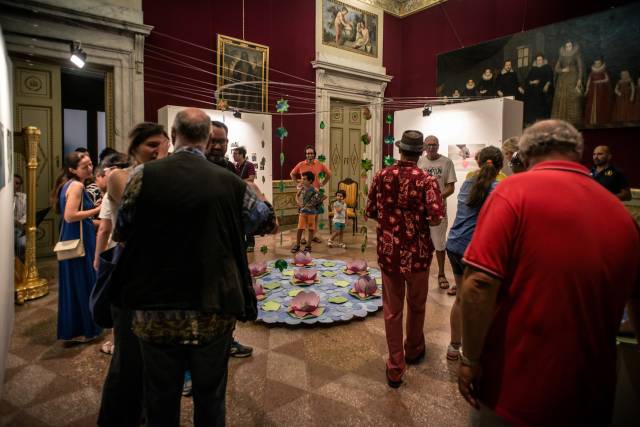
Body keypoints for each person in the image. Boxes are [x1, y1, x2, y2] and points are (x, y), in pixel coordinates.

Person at [457, 119, 640, 426]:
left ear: (524, 154)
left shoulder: (512, 193)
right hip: (592, 393)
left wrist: (470, 358)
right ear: (578, 153)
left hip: (513, 388)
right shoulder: (621, 214)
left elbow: (479, 284)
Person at [110, 108, 277, 425]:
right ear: (207, 138)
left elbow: (123, 232)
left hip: (155, 310)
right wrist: (257, 196)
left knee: (160, 399)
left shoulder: (143, 177)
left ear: (173, 136)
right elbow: (266, 222)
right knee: (210, 398)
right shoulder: (230, 183)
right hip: (212, 308)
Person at [97, 123, 169, 426]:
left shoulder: (162, 177)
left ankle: (143, 413)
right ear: (134, 147)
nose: (158, 151)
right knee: (128, 358)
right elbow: (144, 207)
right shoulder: (119, 176)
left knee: (154, 359)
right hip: (131, 279)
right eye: (151, 145)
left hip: (158, 278)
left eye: (163, 145)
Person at [366, 130, 444, 388]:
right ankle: (413, 349)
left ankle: (395, 366)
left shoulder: (381, 175)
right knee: (417, 305)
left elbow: (370, 211)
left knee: (392, 311)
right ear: (421, 152)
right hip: (418, 254)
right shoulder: (427, 181)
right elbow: (436, 218)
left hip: (389, 254)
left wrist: (391, 221)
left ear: (400, 150)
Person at [444, 146, 504, 362]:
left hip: (454, 245)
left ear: (479, 162)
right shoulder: (499, 188)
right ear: (500, 166)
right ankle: (473, 353)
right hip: (474, 250)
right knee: (482, 302)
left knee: (461, 298)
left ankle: (454, 346)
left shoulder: (468, 183)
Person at [52, 151, 102, 342]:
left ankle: (77, 328)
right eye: (84, 166)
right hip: (79, 238)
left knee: (76, 283)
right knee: (83, 281)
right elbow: (70, 216)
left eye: (90, 164)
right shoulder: (78, 186)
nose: (90, 168)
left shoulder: (69, 184)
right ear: (73, 170)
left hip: (74, 235)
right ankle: (86, 328)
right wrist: (98, 209)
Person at [417, 135, 456, 290]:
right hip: (421, 210)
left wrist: (436, 198)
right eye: (429, 145)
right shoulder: (420, 162)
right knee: (420, 242)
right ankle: (420, 272)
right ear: (424, 147)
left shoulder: (447, 162)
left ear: (438, 146)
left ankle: (441, 273)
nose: (431, 147)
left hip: (438, 210)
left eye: (434, 145)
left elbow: (450, 187)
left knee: (439, 243)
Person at [290, 145, 332, 244]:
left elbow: (329, 174)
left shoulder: (319, 164)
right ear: (305, 154)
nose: (310, 155)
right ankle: (303, 237)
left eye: (311, 153)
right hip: (303, 194)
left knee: (315, 216)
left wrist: (323, 183)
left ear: (314, 154)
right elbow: (292, 174)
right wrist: (297, 183)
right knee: (303, 215)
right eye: (308, 153)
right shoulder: (301, 164)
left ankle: (313, 235)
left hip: (315, 194)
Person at [291, 171, 325, 253]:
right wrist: (298, 203)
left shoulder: (314, 189)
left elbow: (322, 197)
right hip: (302, 212)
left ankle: (308, 245)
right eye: (302, 178)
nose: (302, 180)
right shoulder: (301, 188)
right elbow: (297, 196)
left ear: (310, 180)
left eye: (304, 179)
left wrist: (315, 204)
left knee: (310, 229)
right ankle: (297, 244)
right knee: (300, 228)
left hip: (311, 213)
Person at [551, 41, 583, 125]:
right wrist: (563, 70)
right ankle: (561, 121)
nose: (569, 48)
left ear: (572, 46)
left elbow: (580, 67)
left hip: (573, 77)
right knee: (561, 98)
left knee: (572, 99)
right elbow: (556, 69)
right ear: (565, 47)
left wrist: (579, 79)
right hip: (562, 79)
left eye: (570, 46)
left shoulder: (576, 54)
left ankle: (572, 121)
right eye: (567, 46)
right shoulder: (561, 56)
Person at [524, 54, 553, 125]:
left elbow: (550, 77)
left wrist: (547, 85)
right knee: (532, 102)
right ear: (536, 61)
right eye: (537, 60)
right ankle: (533, 121)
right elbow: (527, 80)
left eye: (540, 60)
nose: (539, 61)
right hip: (534, 90)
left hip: (543, 90)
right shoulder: (533, 69)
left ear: (542, 60)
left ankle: (543, 121)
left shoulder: (547, 67)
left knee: (544, 103)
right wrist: (533, 82)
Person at [583, 57, 612, 125]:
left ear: (601, 63)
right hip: (592, 89)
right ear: (594, 64)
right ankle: (592, 120)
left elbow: (607, 79)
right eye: (596, 63)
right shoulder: (592, 72)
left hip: (601, 90)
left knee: (600, 103)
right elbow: (589, 81)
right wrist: (587, 90)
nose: (597, 64)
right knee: (591, 104)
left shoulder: (603, 71)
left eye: (599, 63)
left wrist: (599, 81)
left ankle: (599, 120)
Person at [13, 174, 27, 261]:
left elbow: (26, 213)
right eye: (15, 182)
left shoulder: (23, 196)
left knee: (22, 245)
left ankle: (21, 265)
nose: (16, 185)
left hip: (19, 227)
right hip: (6, 228)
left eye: (18, 184)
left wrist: (20, 223)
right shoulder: (3, 196)